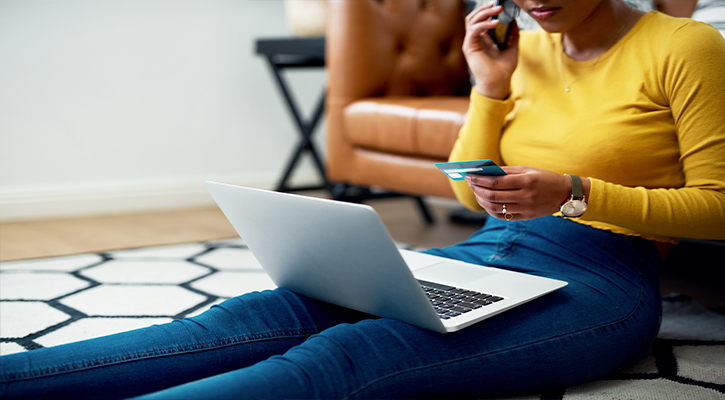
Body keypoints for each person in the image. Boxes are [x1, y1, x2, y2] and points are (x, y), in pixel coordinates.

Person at [1, 1, 724, 399]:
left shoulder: (681, 46)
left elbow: (718, 207)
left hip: (599, 279)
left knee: (348, 357)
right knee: (263, 314)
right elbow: (462, 184)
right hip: (482, 254)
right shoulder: (518, 47)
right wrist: (488, 86)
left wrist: (575, 193)